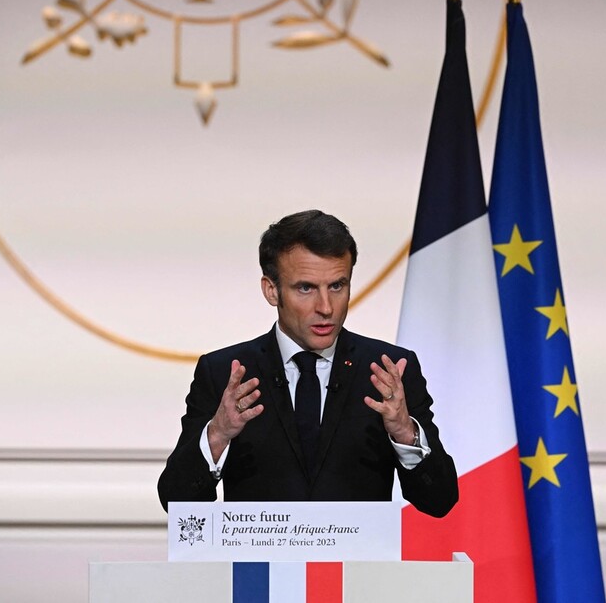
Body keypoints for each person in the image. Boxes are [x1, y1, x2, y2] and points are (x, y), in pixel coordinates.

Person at [157, 210, 458, 518]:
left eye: (337, 286)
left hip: (355, 565)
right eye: (306, 288)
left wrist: (405, 434)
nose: (326, 308)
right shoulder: (225, 373)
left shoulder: (389, 371)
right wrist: (218, 434)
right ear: (271, 290)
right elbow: (177, 501)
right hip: (261, 565)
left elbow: (440, 501)